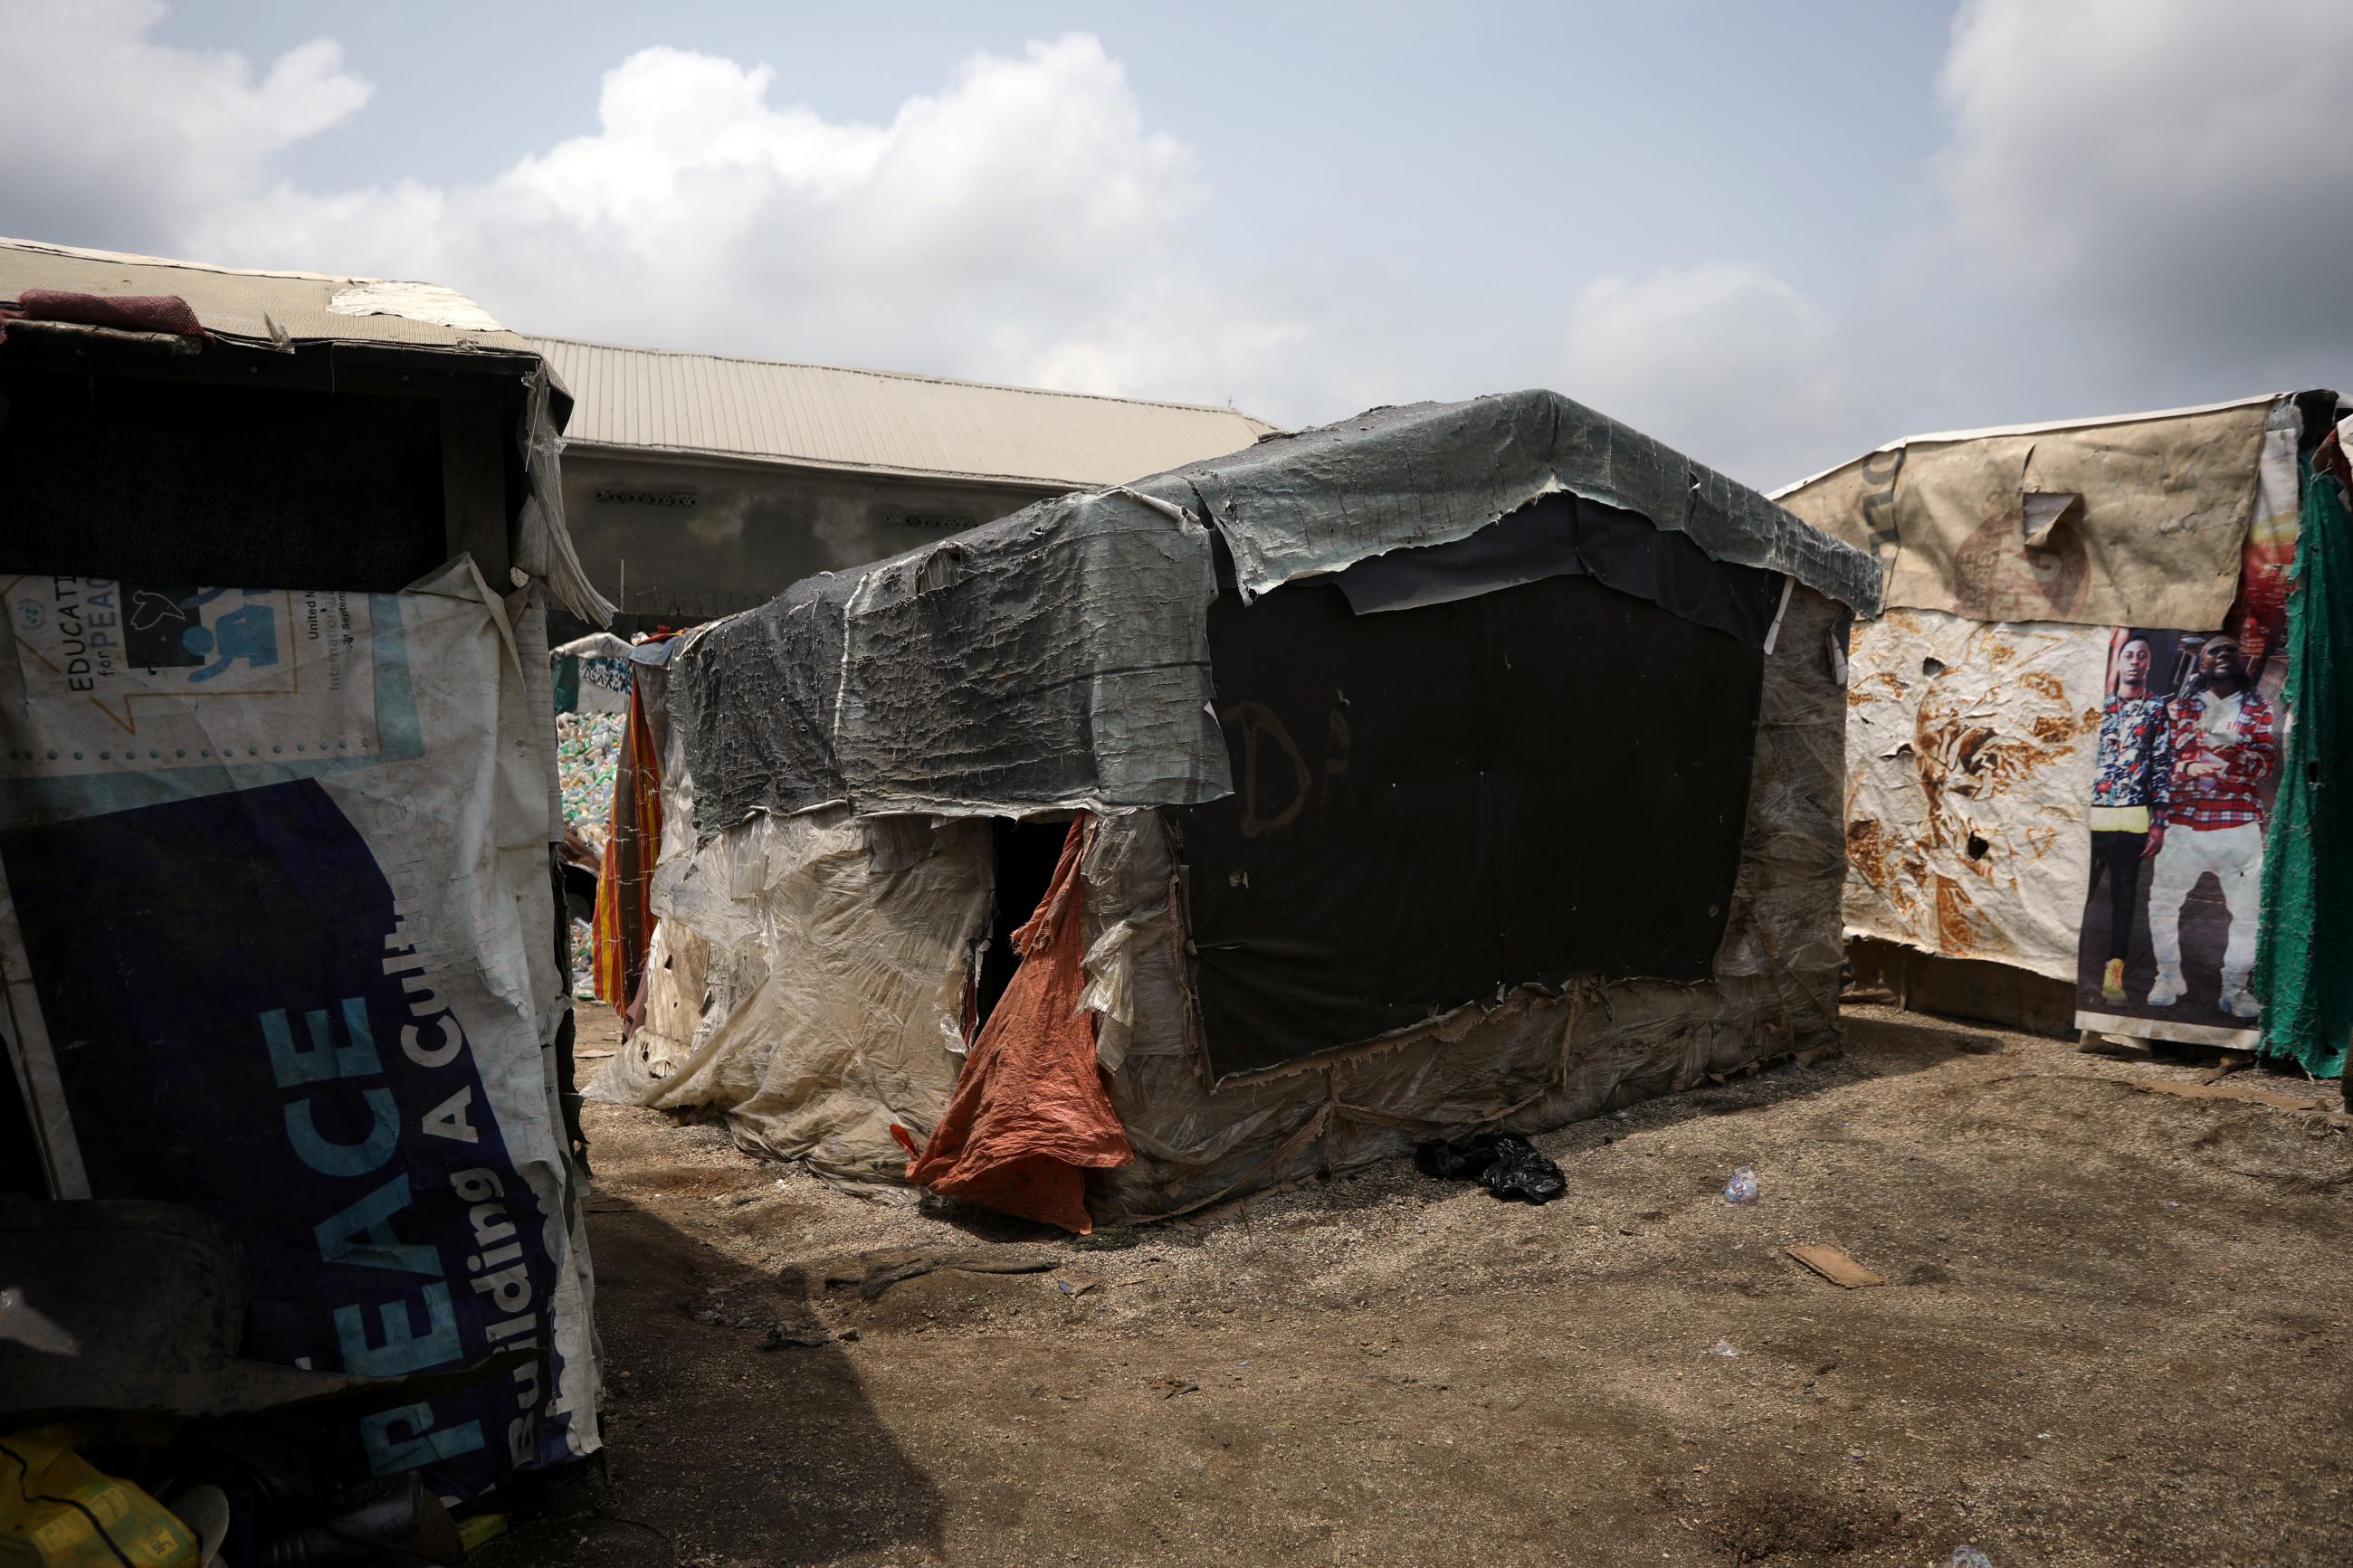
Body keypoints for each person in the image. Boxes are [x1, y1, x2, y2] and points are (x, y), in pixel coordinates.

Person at [2145, 635, 2276, 1016]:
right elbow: (2160, 762)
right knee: (2164, 905)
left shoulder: (2259, 708)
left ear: (2242, 663)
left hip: (2237, 825)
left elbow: (2265, 763)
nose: (2222, 655)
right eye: (2212, 651)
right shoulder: (2178, 709)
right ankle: (2169, 976)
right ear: (2200, 665)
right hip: (2182, 825)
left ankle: (2234, 989)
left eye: (2230, 650)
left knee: (2248, 911)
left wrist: (2231, 755)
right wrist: (2188, 765)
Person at [2085, 635, 2169, 1004]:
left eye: (2142, 656)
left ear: (2148, 664)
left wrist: (2159, 821)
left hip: (2131, 822)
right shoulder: (2098, 707)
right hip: (2090, 820)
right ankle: (2063, 967)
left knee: (2123, 900)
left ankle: (2113, 975)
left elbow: (2163, 766)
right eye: (2129, 655)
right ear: (2118, 663)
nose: (2135, 661)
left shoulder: (2155, 710)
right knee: (2077, 895)